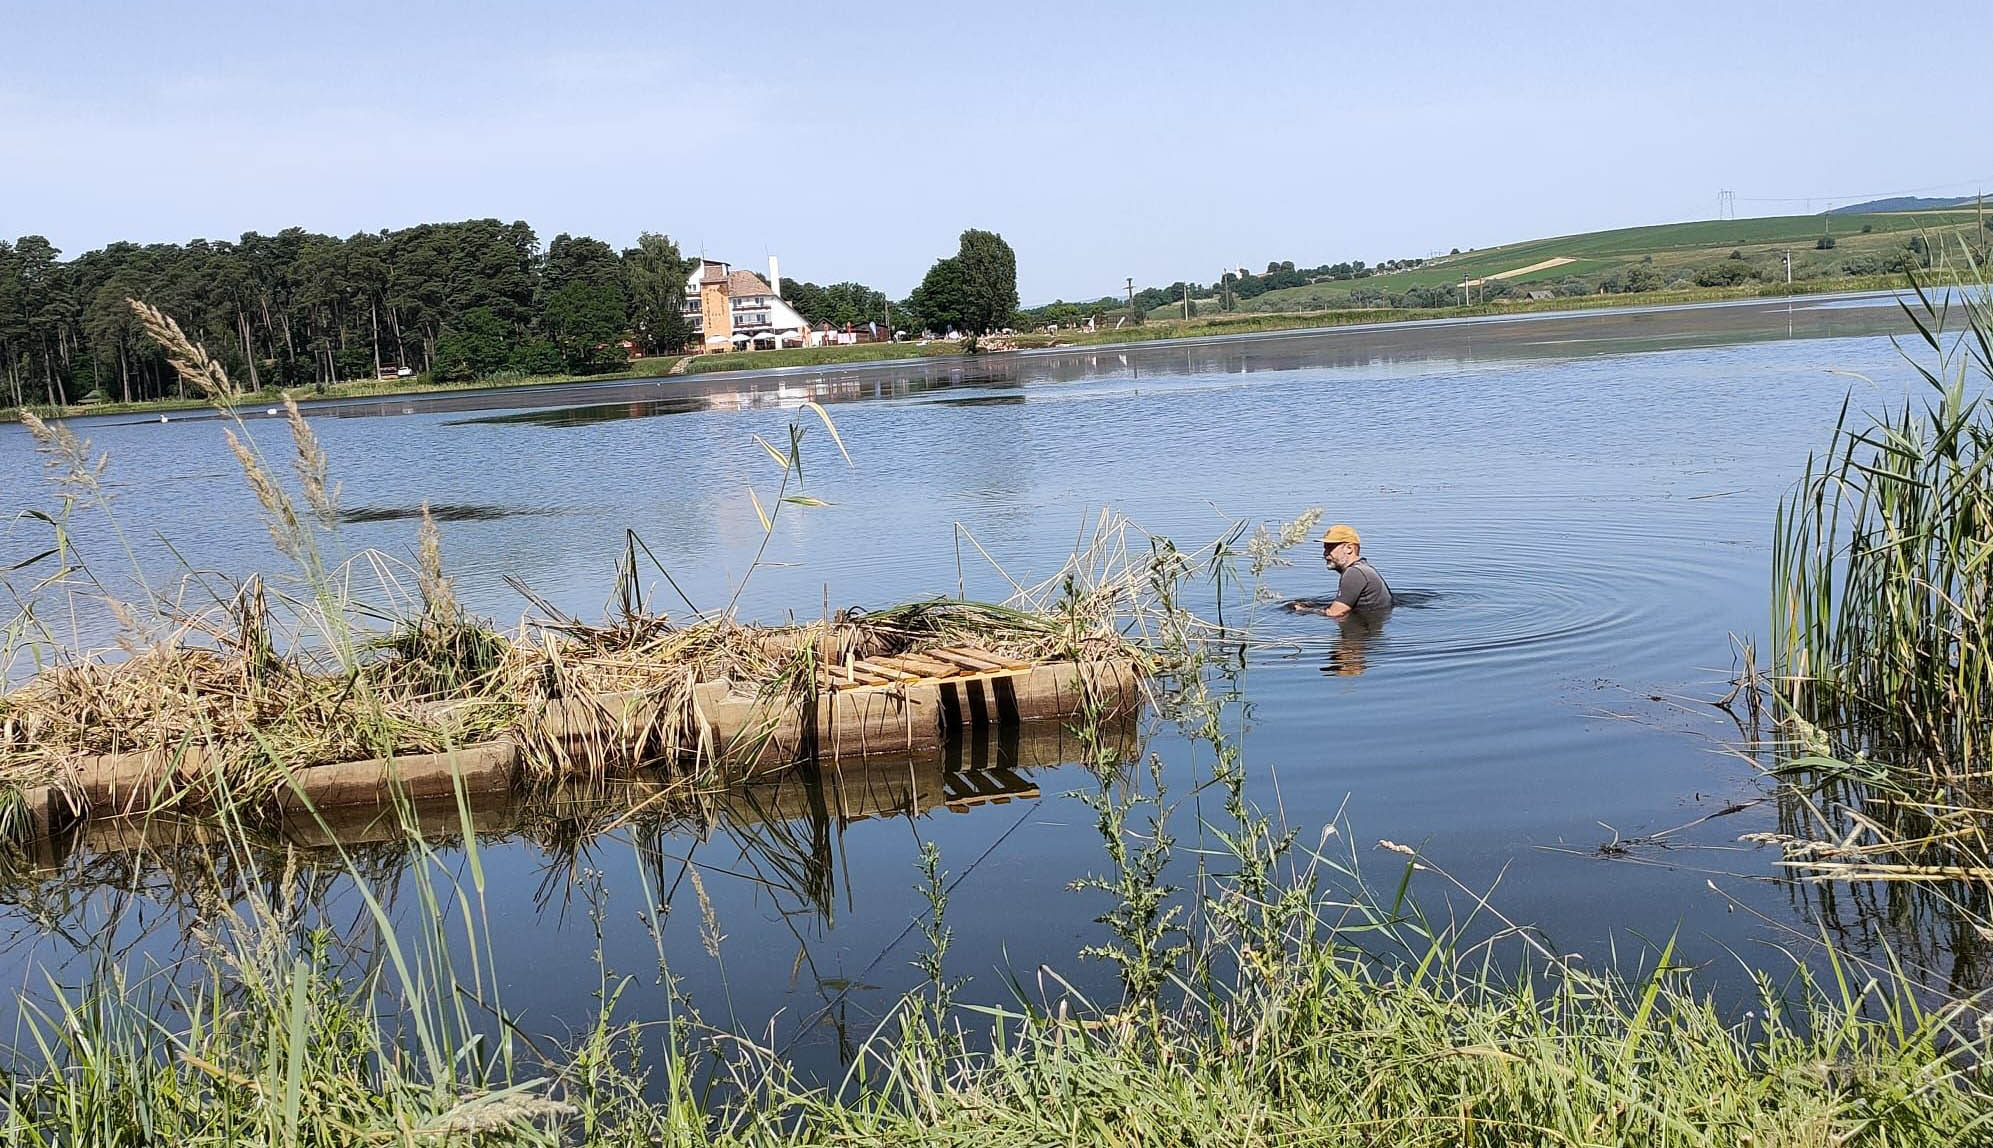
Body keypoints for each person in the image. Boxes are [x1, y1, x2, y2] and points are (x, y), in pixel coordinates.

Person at [1314, 524, 1393, 617]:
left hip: (1363, 628)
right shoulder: (1363, 568)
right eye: (1325, 548)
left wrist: (1302, 610)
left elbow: (1334, 613)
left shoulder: (1354, 573)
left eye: (1330, 548)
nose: (1325, 553)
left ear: (1349, 548)